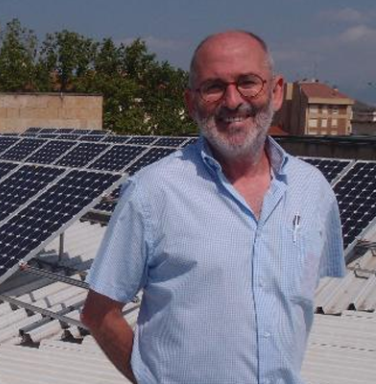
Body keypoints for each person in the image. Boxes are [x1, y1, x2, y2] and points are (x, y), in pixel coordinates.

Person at [81, 30, 346, 384]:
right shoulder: (153, 192)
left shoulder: (313, 190)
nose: (233, 100)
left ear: (277, 90)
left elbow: (295, 307)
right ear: (191, 102)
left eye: (248, 82)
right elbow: (99, 314)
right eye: (214, 87)